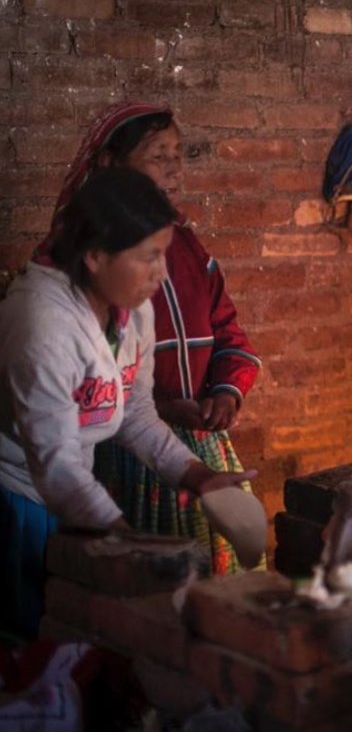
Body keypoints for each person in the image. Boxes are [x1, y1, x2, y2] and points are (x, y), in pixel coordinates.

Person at [0, 169, 262, 641]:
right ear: (96, 256)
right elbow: (55, 466)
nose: (161, 274)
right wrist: (129, 540)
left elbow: (133, 412)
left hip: (68, 487)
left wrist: (200, 478)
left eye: (162, 254)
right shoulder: (44, 324)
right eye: (149, 257)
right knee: (26, 640)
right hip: (19, 495)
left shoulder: (131, 308)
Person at [42, 101, 263, 575]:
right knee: (140, 587)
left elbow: (229, 333)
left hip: (186, 446)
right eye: (157, 154)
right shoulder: (77, 272)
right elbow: (83, 411)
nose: (173, 167)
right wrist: (162, 409)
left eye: (178, 154)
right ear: (109, 166)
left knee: (210, 579)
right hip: (116, 459)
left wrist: (226, 389)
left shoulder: (185, 249)